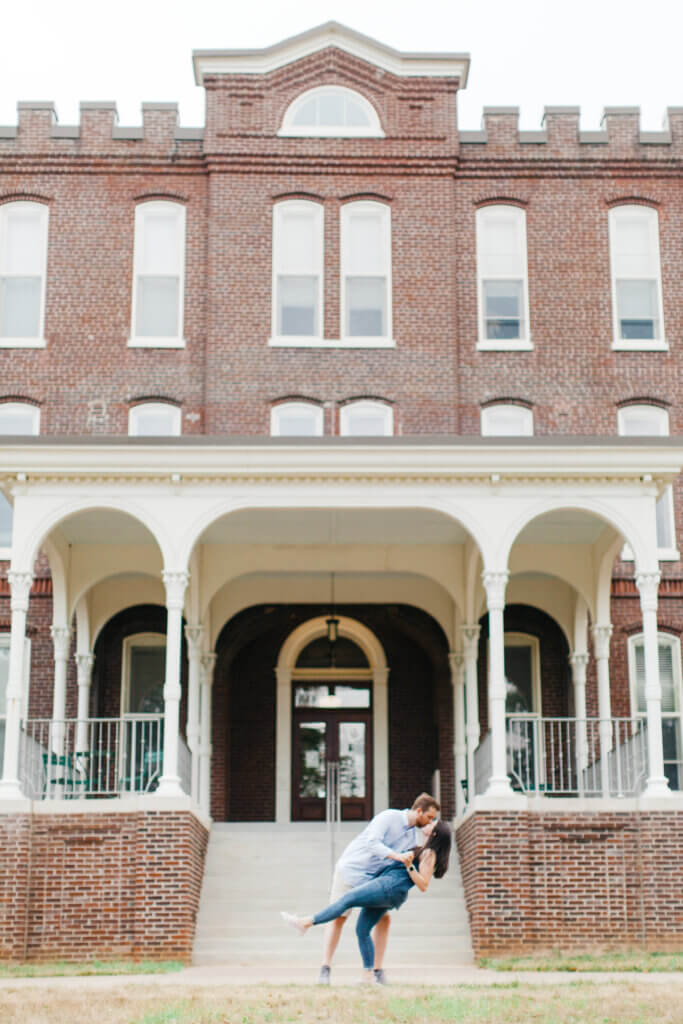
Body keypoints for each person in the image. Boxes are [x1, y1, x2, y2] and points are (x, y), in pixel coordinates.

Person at [282, 819, 452, 984]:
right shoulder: (424, 849)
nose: (428, 824)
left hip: (389, 886)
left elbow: (423, 884)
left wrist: (409, 865)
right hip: (391, 891)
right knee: (362, 929)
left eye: (432, 824)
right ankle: (368, 977)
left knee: (348, 898)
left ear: (434, 833)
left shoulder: (429, 853)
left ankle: (307, 922)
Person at [311, 792, 440, 985]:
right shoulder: (389, 817)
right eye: (429, 817)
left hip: (373, 878)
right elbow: (372, 844)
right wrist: (397, 856)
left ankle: (377, 971)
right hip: (351, 869)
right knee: (339, 917)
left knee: (383, 919)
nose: (430, 822)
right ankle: (325, 968)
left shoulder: (414, 837)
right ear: (419, 810)